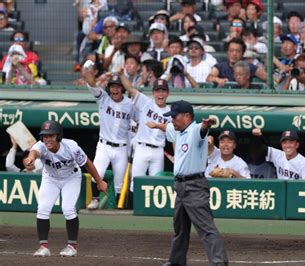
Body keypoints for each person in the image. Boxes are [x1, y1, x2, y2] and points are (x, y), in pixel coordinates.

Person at [23, 120, 108, 257]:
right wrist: (30, 158)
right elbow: (34, 152)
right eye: (45, 136)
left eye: (51, 135)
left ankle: (72, 247)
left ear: (58, 136)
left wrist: (99, 181)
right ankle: (43, 247)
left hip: (71, 177)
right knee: (43, 208)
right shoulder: (41, 146)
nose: (47, 139)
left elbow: (87, 164)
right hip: (50, 178)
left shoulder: (71, 146)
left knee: (68, 209)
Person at [163, 100, 228, 265]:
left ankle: (219, 263)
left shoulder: (194, 130)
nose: (172, 120)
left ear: (186, 116)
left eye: (174, 116)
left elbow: (203, 129)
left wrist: (207, 124)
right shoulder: (179, 129)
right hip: (180, 187)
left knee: (206, 228)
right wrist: (156, 125)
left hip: (194, 186)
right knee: (180, 229)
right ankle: (176, 261)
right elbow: (167, 127)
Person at [82, 68, 137, 210]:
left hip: (122, 148)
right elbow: (89, 79)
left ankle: (120, 208)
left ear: (122, 88)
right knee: (96, 173)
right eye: (112, 87)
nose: (115, 90)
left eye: (118, 87)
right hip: (104, 145)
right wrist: (103, 75)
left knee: (120, 182)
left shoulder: (130, 104)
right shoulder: (103, 98)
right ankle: (94, 199)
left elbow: (138, 122)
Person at [118, 71, 171, 204]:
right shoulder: (146, 103)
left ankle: (151, 212)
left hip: (158, 151)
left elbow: (174, 135)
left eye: (163, 91)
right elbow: (130, 89)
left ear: (167, 93)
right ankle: (131, 210)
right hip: (142, 148)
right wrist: (122, 75)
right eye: (158, 91)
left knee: (156, 183)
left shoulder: (171, 112)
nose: (160, 94)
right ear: (154, 93)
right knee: (135, 182)